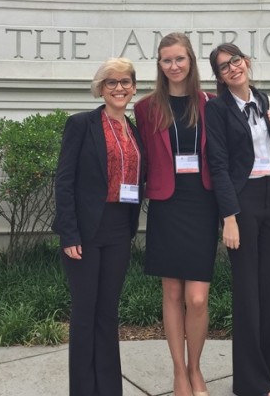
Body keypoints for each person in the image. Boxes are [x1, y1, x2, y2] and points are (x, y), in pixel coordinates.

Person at [52, 57, 144, 396]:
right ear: (101, 88)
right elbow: (64, 181)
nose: (119, 88)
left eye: (125, 82)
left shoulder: (135, 131)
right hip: (86, 232)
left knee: (108, 311)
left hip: (120, 229)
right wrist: (69, 232)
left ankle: (109, 388)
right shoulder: (81, 124)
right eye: (112, 82)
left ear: (134, 88)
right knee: (85, 311)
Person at [133, 32, 218, 396]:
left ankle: (196, 368)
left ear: (191, 61)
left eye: (179, 59)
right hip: (167, 205)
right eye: (166, 60)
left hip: (202, 204)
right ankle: (179, 373)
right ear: (160, 64)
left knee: (197, 297)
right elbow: (142, 161)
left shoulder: (212, 105)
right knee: (171, 292)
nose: (174, 66)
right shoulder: (146, 108)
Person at [204, 43, 270, 396]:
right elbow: (218, 166)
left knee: (269, 288)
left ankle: (268, 375)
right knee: (247, 292)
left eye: (235, 61)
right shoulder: (218, 109)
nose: (232, 68)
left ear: (246, 62)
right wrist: (230, 218)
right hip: (244, 201)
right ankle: (250, 384)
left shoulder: (264, 98)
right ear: (219, 77)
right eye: (224, 67)